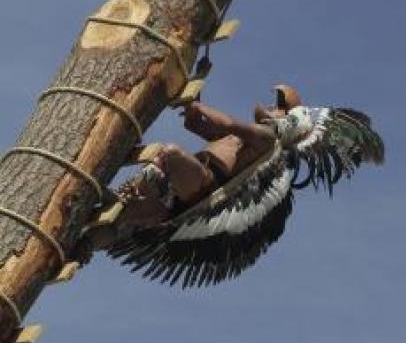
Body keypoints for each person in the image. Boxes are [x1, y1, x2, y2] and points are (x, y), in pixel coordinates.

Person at [83, 84, 384, 287]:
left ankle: (105, 222)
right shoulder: (246, 140)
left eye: (278, 110)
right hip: (182, 184)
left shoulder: (265, 141)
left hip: (199, 183)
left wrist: (196, 103)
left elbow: (225, 122)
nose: (270, 108)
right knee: (118, 220)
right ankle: (81, 244)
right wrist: (192, 104)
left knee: (170, 154)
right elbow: (198, 124)